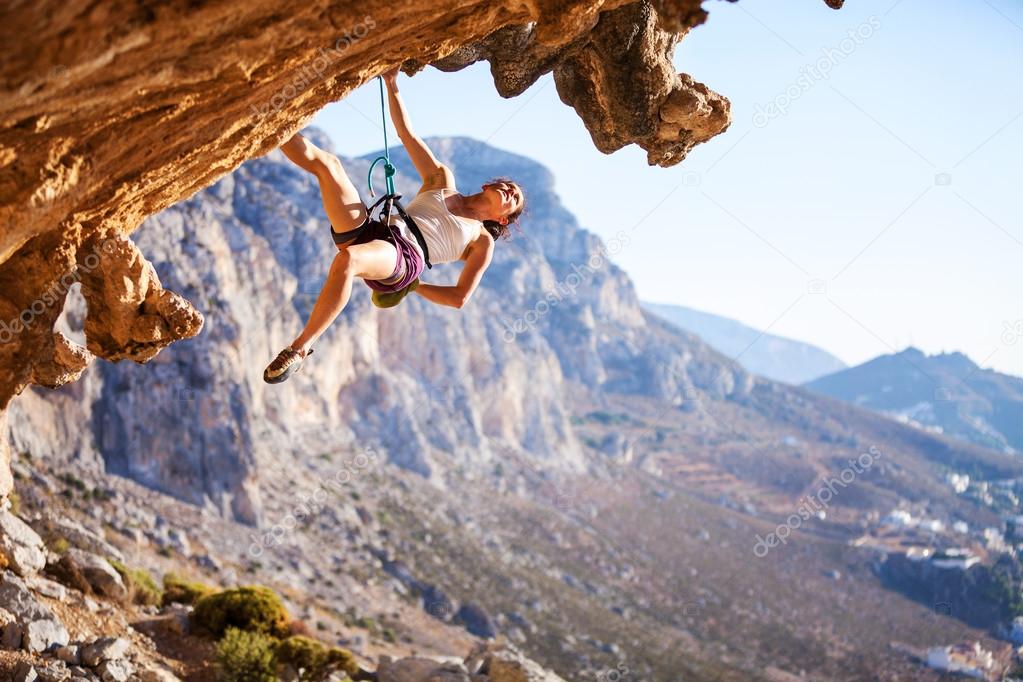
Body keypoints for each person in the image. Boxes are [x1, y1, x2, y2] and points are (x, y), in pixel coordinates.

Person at [264, 66, 526, 384]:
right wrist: (391, 83)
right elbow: (407, 135)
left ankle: (300, 349)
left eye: (514, 199)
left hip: (404, 258)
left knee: (348, 260)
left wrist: (414, 287)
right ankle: (265, 119)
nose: (510, 191)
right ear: (490, 184)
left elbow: (459, 297)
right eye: (510, 187)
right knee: (328, 166)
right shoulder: (442, 180)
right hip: (378, 230)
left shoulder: (481, 240)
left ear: (502, 219)